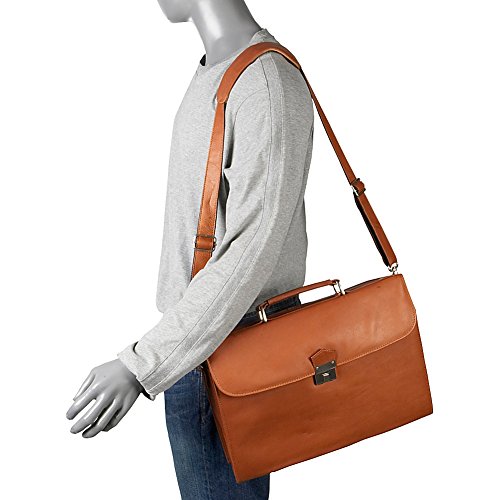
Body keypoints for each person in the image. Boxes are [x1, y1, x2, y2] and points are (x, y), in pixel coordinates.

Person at [67, 1, 314, 498]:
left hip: (227, 355)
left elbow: (251, 249)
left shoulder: (263, 83)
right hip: (199, 348)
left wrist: (141, 364)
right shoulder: (220, 70)